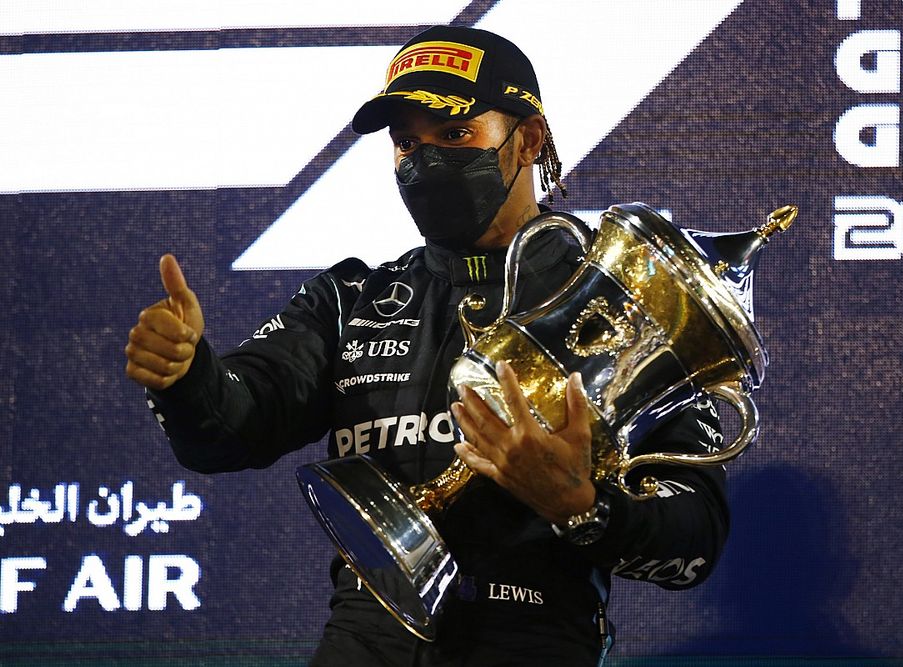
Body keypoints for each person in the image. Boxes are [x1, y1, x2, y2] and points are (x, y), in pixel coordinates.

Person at [125, 25, 729, 667]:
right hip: (365, 635)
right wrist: (185, 376)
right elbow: (230, 429)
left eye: (456, 135)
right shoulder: (351, 299)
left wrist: (580, 507)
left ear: (528, 139)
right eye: (406, 143)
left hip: (532, 635)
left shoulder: (621, 309)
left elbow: (696, 539)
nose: (426, 161)